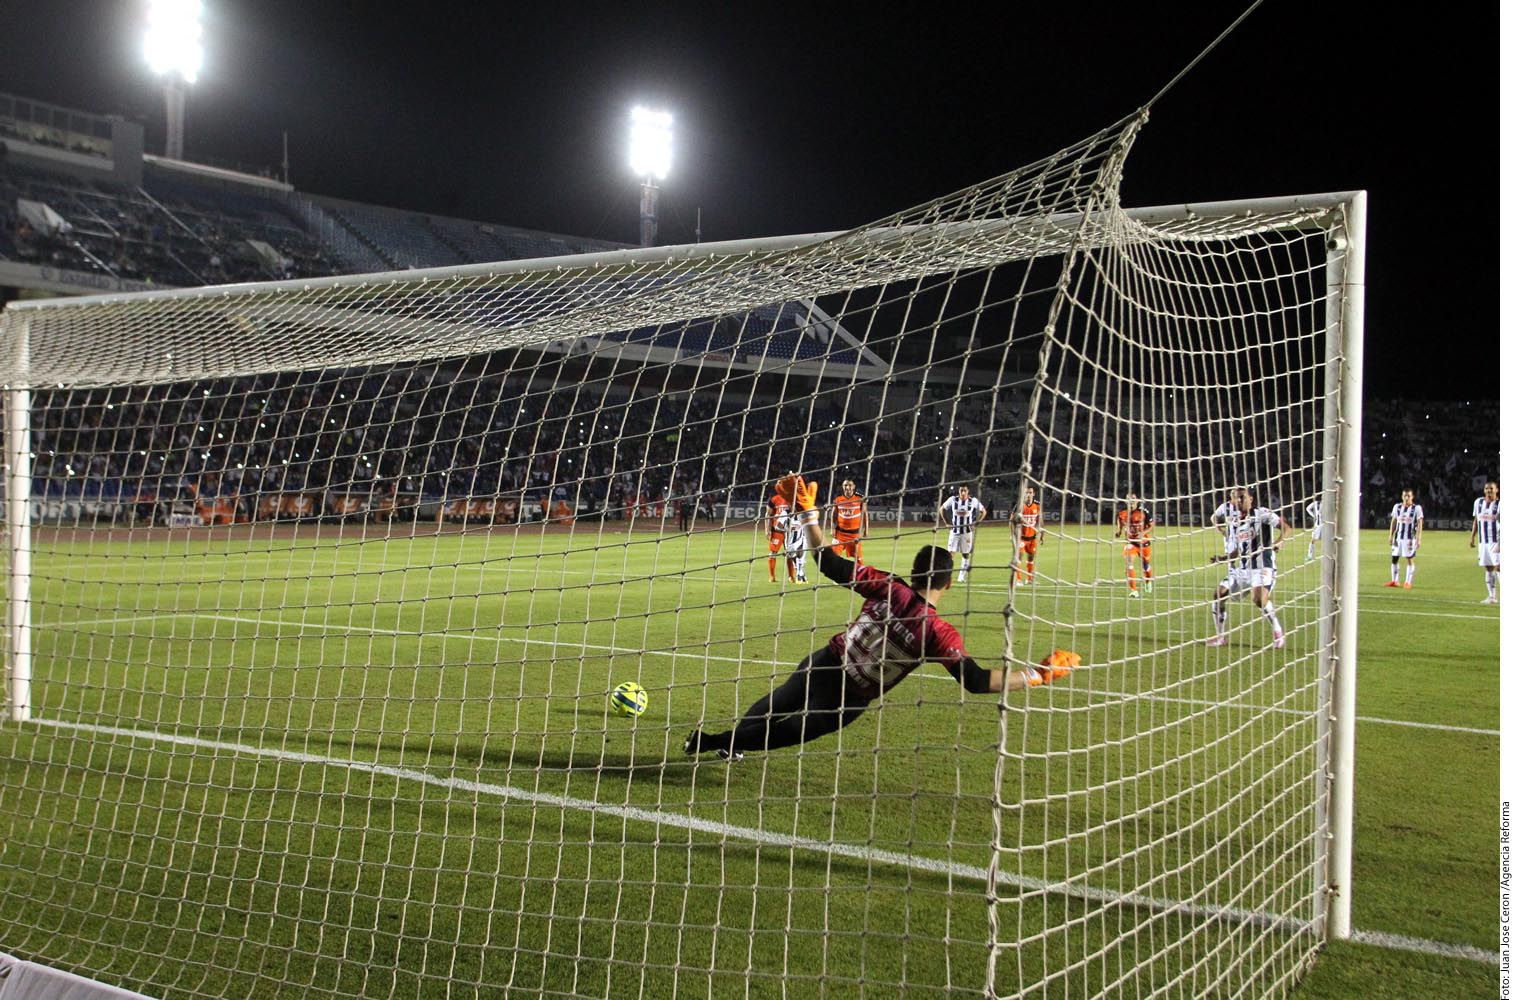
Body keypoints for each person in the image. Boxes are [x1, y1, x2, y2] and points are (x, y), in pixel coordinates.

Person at [684, 475, 1076, 762]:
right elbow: (976, 681)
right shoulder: (937, 631)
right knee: (789, 732)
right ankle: (720, 742)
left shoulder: (889, 585)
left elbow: (833, 564)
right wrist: (1037, 675)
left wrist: (809, 515)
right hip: (850, 696)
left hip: (827, 662)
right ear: (947, 584)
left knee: (779, 701)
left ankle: (723, 743)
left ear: (916, 570)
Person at [1206, 487, 1290, 648]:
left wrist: (1280, 541)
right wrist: (1223, 558)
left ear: (1250, 499)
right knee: (1219, 594)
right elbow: (1240, 548)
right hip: (1242, 570)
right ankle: (1220, 637)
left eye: (1242, 497)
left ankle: (1278, 633)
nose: (1238, 501)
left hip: (1262, 567)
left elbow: (1286, 528)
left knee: (1259, 600)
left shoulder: (1263, 514)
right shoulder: (1236, 521)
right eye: (1235, 498)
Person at [938, 484, 986, 582]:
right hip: (954, 532)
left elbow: (983, 511)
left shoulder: (973, 501)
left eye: (964, 490)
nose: (963, 493)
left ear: (968, 491)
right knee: (950, 555)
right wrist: (947, 522)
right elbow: (941, 509)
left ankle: (961, 576)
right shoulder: (953, 500)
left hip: (967, 533)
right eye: (961, 491)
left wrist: (976, 523)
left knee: (965, 554)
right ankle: (946, 577)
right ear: (958, 491)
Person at [1114, 491, 1154, 596]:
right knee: (1129, 564)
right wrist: (1119, 531)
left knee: (1146, 565)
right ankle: (1134, 590)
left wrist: (1143, 533)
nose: (1131, 501)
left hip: (1143, 543)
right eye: (1128, 499)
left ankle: (1148, 581)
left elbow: (1151, 525)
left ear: (1137, 500)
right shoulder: (1122, 513)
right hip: (1130, 542)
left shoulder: (1143, 511)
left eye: (1133, 498)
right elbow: (1119, 520)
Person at [1385, 489, 1424, 589]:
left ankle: (1407, 582)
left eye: (1408, 496)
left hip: (1409, 539)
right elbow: (1393, 521)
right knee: (1394, 559)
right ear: (1402, 497)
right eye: (1404, 496)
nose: (1406, 498)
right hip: (1397, 538)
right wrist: (1390, 535)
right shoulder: (1397, 507)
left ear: (1412, 497)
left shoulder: (1416, 508)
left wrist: (1419, 538)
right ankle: (1395, 581)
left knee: (1409, 559)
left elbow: (1420, 523)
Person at [1470, 480, 1500, 604]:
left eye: (1491, 488)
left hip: (1496, 541)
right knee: (1488, 568)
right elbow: (1476, 520)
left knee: (1500, 568)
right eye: (1487, 488)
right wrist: (1472, 536)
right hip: (1483, 542)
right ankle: (1492, 597)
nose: (1489, 490)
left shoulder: (1501, 504)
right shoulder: (1478, 502)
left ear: (1496, 490)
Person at [829, 478, 868, 560]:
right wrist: (832, 529)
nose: (847, 487)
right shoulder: (838, 499)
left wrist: (866, 530)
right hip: (840, 534)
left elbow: (865, 514)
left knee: (859, 561)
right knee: (833, 559)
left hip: (854, 535)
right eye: (845, 485)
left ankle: (856, 573)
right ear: (842, 487)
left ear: (853, 487)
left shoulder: (860, 499)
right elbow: (833, 515)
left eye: (850, 485)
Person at [1015, 486, 1043, 584]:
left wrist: (1042, 534)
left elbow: (1040, 520)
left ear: (1033, 494)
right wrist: (1012, 534)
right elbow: (1012, 520)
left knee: (1031, 558)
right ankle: (1018, 579)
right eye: (1027, 493)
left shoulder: (1037, 505)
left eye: (1030, 492)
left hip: (1032, 538)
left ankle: (1029, 579)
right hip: (1022, 538)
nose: (1028, 494)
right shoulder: (1021, 506)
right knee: (1019, 557)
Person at [764, 488, 791, 583]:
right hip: (777, 531)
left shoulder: (792, 498)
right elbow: (768, 514)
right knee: (773, 553)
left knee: (790, 553)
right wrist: (767, 529)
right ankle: (772, 576)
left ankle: (791, 577)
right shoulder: (774, 499)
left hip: (789, 531)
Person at [1304, 496, 1323, 561]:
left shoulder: (1316, 503)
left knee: (1313, 540)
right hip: (1321, 525)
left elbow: (1307, 508)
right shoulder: (1318, 503)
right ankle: (1310, 556)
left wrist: (1314, 515)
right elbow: (1307, 508)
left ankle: (1310, 556)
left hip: (1320, 525)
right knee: (1314, 540)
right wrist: (1314, 515)